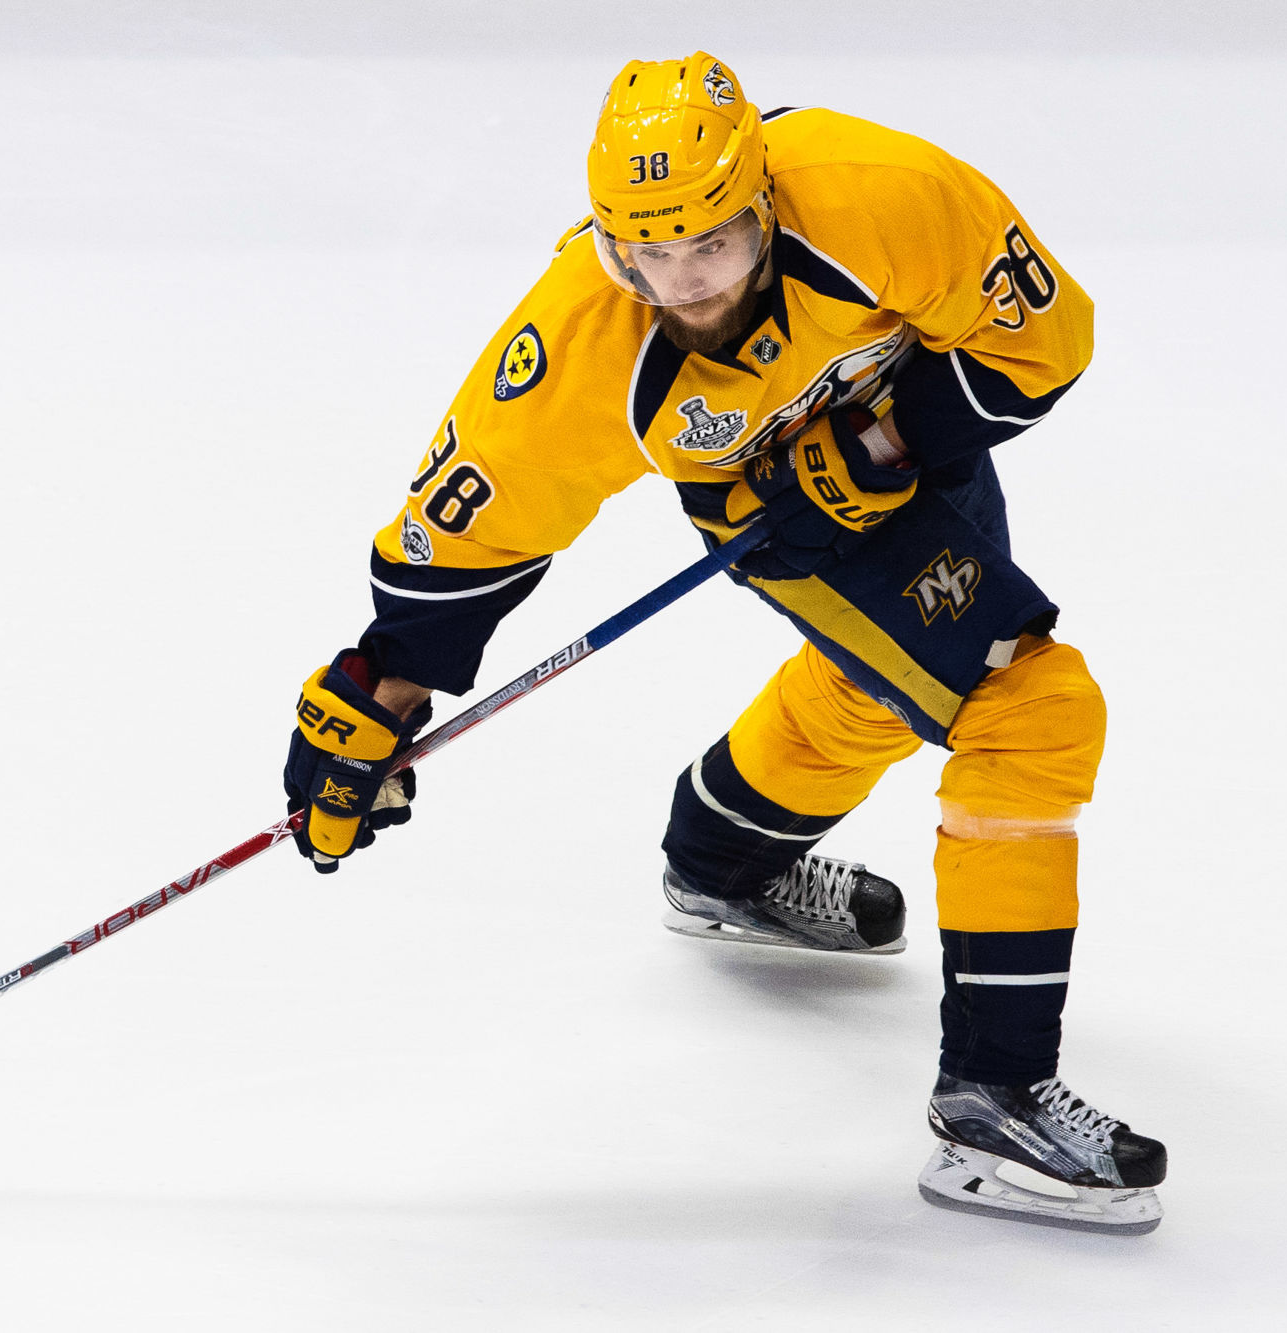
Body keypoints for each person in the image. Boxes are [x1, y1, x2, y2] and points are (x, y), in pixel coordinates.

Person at [282, 53, 1165, 1235]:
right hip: (770, 507)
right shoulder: (587, 332)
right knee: (1026, 706)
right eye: (640, 255)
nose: (680, 286)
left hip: (914, 439)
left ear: (762, 201)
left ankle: (718, 861)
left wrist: (885, 444)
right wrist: (374, 693)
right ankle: (991, 1101)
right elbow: (482, 510)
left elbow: (1043, 340)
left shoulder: (879, 193)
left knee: (885, 686)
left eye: (709, 244)